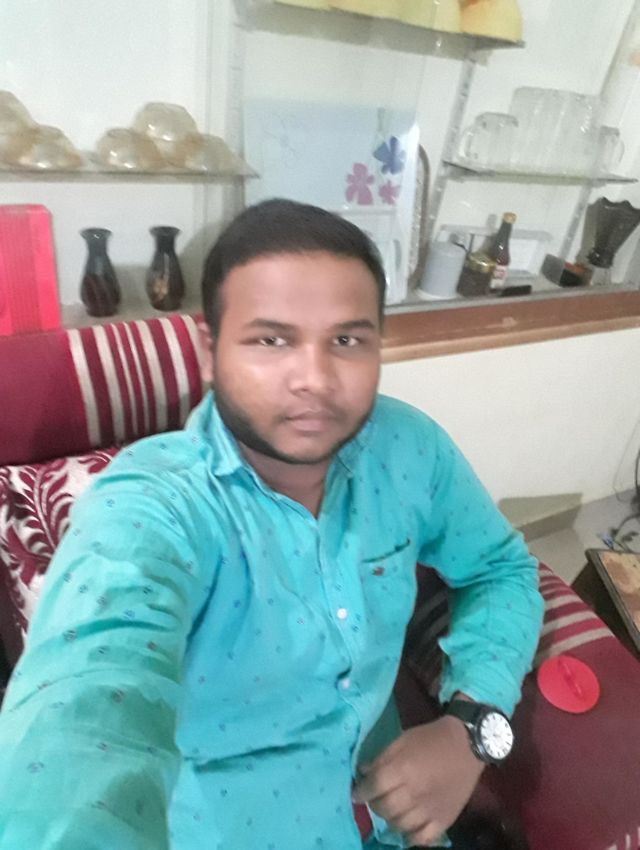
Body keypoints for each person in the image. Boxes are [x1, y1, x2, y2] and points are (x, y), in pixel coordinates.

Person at [0, 199, 543, 850]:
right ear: (211, 352)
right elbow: (84, 703)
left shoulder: (408, 448)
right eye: (271, 339)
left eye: (346, 340)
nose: (314, 379)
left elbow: (501, 569)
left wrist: (470, 726)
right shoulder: (153, 506)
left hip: (397, 821)